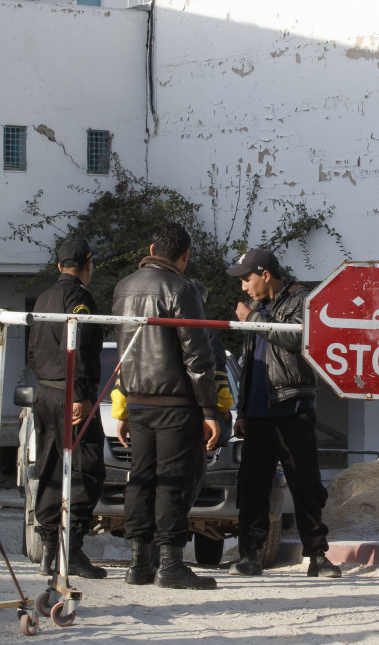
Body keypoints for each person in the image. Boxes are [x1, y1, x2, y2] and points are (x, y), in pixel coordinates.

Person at [112, 222, 222, 590]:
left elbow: (124, 355)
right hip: (176, 402)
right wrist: (209, 410)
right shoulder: (182, 288)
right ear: (184, 255)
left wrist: (124, 405)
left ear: (151, 247)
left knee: (141, 481)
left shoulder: (123, 287)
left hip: (139, 402)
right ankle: (171, 565)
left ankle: (139, 564)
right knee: (174, 482)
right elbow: (197, 354)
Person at [226, 248, 341, 579]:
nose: (244, 287)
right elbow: (250, 364)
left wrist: (253, 320)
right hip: (259, 411)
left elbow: (299, 339)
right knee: (252, 485)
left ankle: (317, 556)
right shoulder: (259, 309)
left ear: (265, 274)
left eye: (247, 279)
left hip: (292, 405)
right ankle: (249, 554)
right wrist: (244, 408)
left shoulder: (303, 299)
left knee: (304, 483)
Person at [27, 238, 106, 579]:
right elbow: (81, 347)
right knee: (85, 469)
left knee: (48, 467)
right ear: (88, 266)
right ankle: (70, 550)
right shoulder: (80, 299)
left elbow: (33, 351)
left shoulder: (43, 297)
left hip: (44, 393)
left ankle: (47, 549)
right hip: (69, 393)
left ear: (59, 266)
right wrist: (81, 393)